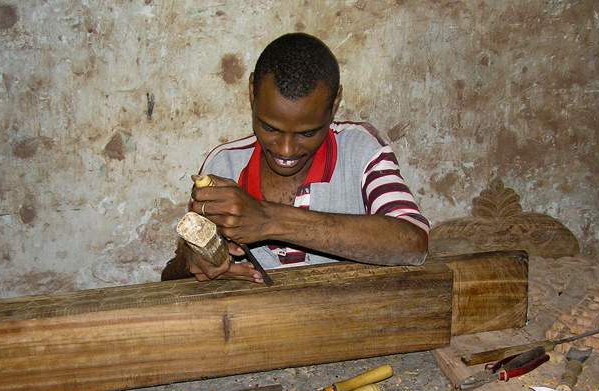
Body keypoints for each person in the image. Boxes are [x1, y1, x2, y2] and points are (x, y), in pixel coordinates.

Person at [162, 33, 429, 283]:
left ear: (335, 104)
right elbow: (171, 277)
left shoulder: (360, 151)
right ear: (252, 93)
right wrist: (198, 263)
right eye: (270, 128)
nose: (286, 150)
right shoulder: (225, 166)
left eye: (307, 132)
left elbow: (412, 244)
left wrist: (270, 219)